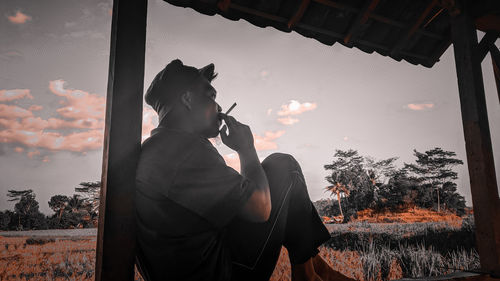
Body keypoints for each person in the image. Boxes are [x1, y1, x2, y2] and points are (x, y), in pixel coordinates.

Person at [134, 58, 356, 281]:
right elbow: (259, 208)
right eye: (211, 96)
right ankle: (309, 275)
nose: (219, 107)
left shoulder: (160, 147)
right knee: (284, 167)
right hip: (219, 274)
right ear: (188, 99)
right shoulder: (184, 150)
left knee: (277, 176)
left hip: (194, 267)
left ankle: (316, 271)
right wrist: (246, 149)